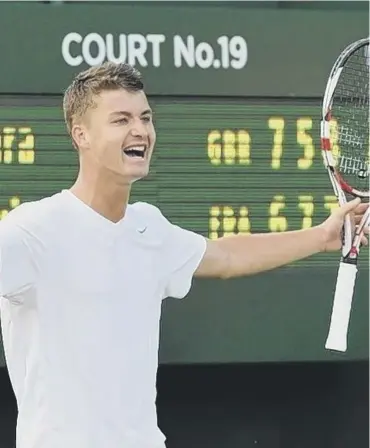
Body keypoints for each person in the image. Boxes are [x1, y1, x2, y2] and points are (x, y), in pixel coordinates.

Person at [0, 62, 368, 448]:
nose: (140, 130)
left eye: (145, 117)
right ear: (81, 135)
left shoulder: (149, 228)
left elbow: (226, 257)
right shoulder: (32, 231)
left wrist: (322, 236)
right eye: (121, 119)